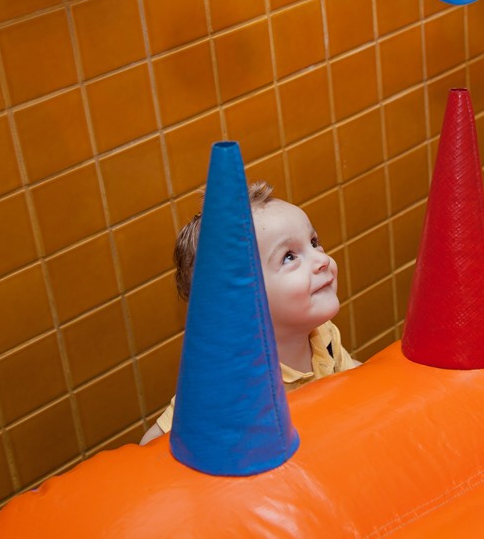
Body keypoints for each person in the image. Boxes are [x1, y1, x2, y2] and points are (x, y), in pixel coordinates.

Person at [140, 181, 359, 445]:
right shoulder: (227, 382)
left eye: (314, 242)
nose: (322, 259)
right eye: (289, 257)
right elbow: (152, 444)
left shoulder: (323, 335)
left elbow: (356, 381)